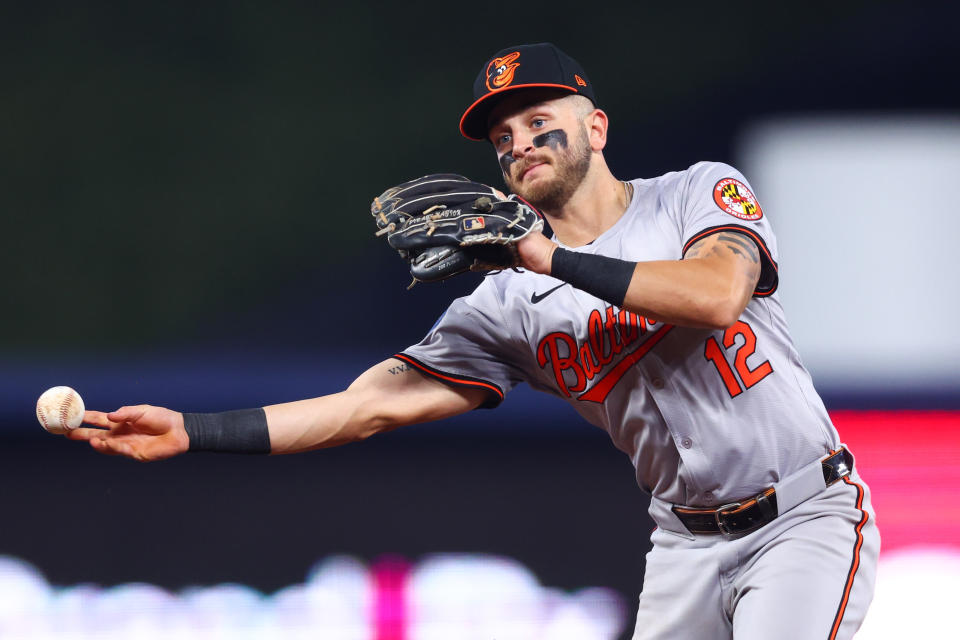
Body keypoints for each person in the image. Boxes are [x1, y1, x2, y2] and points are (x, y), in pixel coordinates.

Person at [67, 43, 879, 639]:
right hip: (684, 544)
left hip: (801, 517)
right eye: (502, 137)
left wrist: (543, 253)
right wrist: (195, 431)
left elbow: (716, 295)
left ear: (595, 126)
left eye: (538, 119)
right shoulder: (508, 305)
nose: (518, 141)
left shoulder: (694, 194)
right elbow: (365, 407)